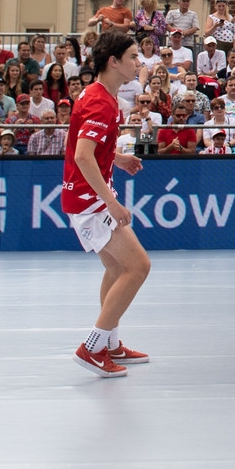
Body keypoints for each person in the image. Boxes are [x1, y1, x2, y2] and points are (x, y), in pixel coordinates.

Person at [61, 32, 153, 376]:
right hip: (91, 203)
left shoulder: (97, 94)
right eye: (132, 57)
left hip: (83, 197)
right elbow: (83, 156)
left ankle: (110, 343)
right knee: (138, 266)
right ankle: (92, 347)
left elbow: (81, 146)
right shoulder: (101, 102)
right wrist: (111, 202)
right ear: (113, 61)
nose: (138, 63)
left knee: (116, 269)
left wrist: (116, 158)